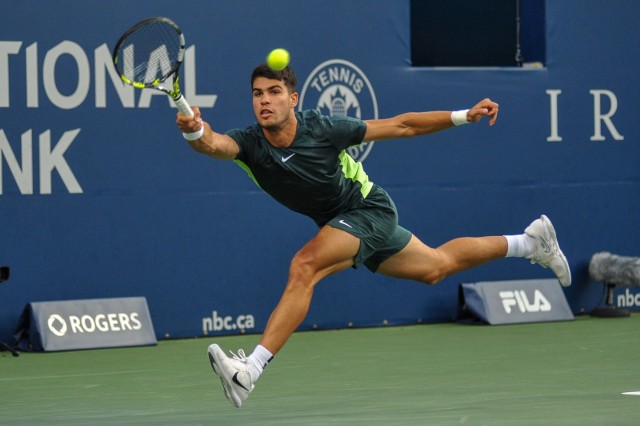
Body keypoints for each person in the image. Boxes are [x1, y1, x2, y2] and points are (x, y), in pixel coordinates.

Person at [176, 64, 571, 408]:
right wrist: (195, 131)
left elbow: (402, 125)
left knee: (305, 266)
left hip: (368, 211)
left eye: (275, 93)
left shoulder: (324, 129)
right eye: (258, 94)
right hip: (342, 224)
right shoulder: (250, 144)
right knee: (436, 267)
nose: (265, 101)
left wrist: (463, 115)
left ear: (293, 99)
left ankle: (251, 370)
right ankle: (531, 242)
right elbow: (215, 144)